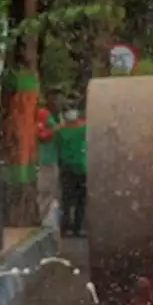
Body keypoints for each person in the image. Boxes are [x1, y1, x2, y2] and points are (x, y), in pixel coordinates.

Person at [54, 95, 88, 238]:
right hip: (76, 168)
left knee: (73, 200)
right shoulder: (81, 129)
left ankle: (71, 227)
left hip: (73, 168)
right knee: (75, 200)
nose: (71, 112)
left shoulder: (60, 130)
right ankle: (73, 227)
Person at [36, 94, 61, 226]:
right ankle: (41, 218)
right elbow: (44, 134)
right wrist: (56, 129)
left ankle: (42, 217)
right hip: (46, 159)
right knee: (46, 190)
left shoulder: (40, 114)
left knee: (47, 191)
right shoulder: (43, 114)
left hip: (44, 158)